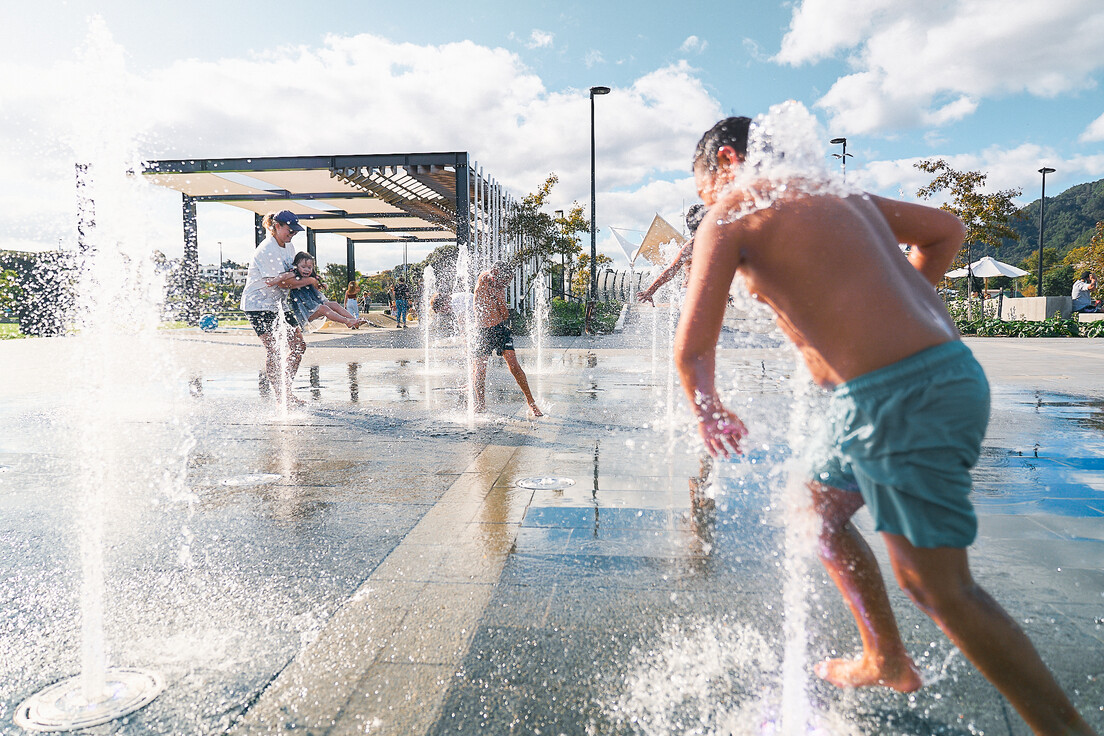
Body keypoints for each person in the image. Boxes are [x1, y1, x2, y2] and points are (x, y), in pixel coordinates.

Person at [675, 116, 1096, 736]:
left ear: (729, 161)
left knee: (939, 589)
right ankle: (885, 658)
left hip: (900, 399)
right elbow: (947, 230)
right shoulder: (841, 196)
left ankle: (1065, 729)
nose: (707, 203)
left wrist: (707, 407)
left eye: (704, 188)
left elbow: (690, 351)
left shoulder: (733, 211)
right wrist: (908, 301)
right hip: (911, 385)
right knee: (811, 509)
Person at [240, 210, 310, 406]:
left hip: (278, 303)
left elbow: (292, 274)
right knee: (274, 349)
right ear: (277, 226)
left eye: (295, 231)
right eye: (290, 230)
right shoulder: (267, 250)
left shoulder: (289, 245)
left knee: (298, 346)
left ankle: (286, 389)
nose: (293, 234)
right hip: (258, 305)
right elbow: (280, 282)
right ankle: (282, 397)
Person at [472, 262, 542, 417]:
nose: (505, 285)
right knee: (480, 370)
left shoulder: (499, 287)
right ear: (495, 272)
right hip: (482, 332)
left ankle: (532, 403)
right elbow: (489, 283)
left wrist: (499, 300)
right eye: (504, 281)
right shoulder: (484, 278)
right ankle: (480, 404)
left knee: (514, 366)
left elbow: (504, 315)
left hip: (500, 329)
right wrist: (498, 300)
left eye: (507, 283)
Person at [637, 204, 706, 304]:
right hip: (690, 293)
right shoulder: (690, 247)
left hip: (708, 292)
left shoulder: (714, 244)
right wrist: (650, 291)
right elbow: (671, 271)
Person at [286, 253, 367, 329]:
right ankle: (347, 322)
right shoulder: (295, 278)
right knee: (323, 308)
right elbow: (292, 285)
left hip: (315, 306)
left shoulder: (311, 278)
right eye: (303, 267)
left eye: (309, 267)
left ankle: (354, 320)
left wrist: (320, 285)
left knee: (334, 304)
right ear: (296, 266)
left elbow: (313, 291)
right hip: (305, 312)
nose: (306, 270)